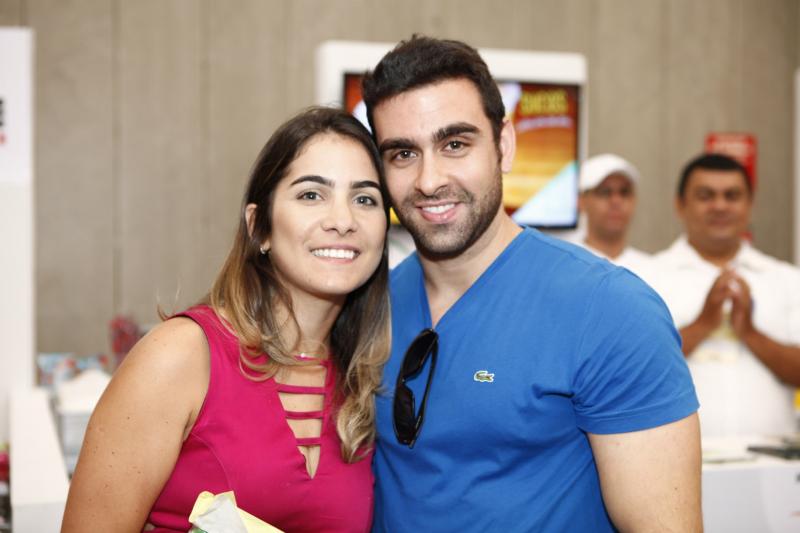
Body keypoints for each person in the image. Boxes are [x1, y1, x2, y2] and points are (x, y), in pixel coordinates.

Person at [361, 36, 701, 532]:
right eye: (403, 153)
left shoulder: (610, 310)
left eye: (455, 144)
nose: (429, 180)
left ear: (504, 145)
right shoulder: (369, 306)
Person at [61, 107, 391, 532]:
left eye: (365, 199)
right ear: (259, 227)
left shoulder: (364, 380)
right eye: (311, 195)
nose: (343, 221)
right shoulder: (181, 356)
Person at [649, 153, 800, 438]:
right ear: (680, 204)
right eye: (705, 196)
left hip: (775, 460)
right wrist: (703, 325)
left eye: (732, 196)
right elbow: (633, 371)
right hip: (675, 460)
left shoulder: (787, 279)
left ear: (750, 205)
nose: (720, 206)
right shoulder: (646, 278)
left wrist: (751, 334)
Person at [577, 153, 652, 273]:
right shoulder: (567, 266)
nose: (616, 201)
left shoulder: (653, 270)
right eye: (605, 192)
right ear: (581, 201)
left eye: (624, 192)